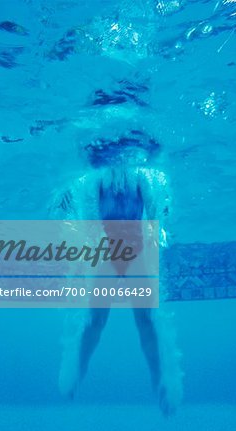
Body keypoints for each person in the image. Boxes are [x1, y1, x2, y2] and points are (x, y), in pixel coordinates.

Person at [49, 130, 183, 415]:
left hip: (135, 255)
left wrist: (157, 239)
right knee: (95, 322)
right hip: (108, 255)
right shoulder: (96, 180)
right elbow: (89, 220)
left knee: (146, 320)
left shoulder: (141, 178)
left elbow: (157, 214)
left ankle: (159, 379)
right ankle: (77, 370)